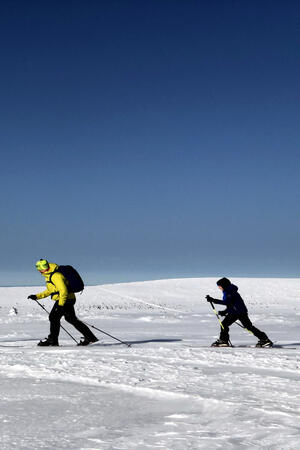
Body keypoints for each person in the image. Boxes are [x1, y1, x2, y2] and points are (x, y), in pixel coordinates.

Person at [28, 259, 98, 346]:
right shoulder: (50, 275)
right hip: (68, 299)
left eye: (41, 268)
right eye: (39, 268)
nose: (40, 270)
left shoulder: (55, 276)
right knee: (71, 319)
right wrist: (37, 296)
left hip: (65, 299)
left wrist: (61, 304)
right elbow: (51, 290)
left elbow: (63, 291)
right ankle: (90, 337)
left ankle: (52, 340)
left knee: (53, 317)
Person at [206, 277, 273, 347]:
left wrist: (213, 300)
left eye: (219, 286)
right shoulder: (230, 291)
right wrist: (225, 312)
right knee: (248, 327)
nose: (219, 287)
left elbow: (227, 302)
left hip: (237, 313)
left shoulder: (229, 292)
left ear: (224, 285)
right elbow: (231, 304)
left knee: (224, 324)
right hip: (239, 312)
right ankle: (265, 339)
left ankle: (223, 341)